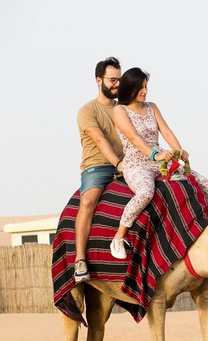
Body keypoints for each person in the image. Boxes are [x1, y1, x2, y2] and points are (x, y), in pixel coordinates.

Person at [109, 67, 208, 259]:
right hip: (137, 162)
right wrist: (154, 155)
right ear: (130, 88)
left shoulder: (152, 106)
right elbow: (133, 137)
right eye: (141, 87)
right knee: (145, 193)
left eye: (146, 87)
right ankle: (118, 237)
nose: (145, 91)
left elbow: (166, 132)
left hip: (162, 158)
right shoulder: (119, 110)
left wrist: (179, 151)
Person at [74, 57, 125, 282]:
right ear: (98, 80)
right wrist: (118, 164)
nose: (117, 84)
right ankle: (80, 260)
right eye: (112, 80)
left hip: (126, 164)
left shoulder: (123, 109)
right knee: (88, 201)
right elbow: (100, 140)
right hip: (98, 167)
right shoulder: (87, 111)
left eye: (119, 80)